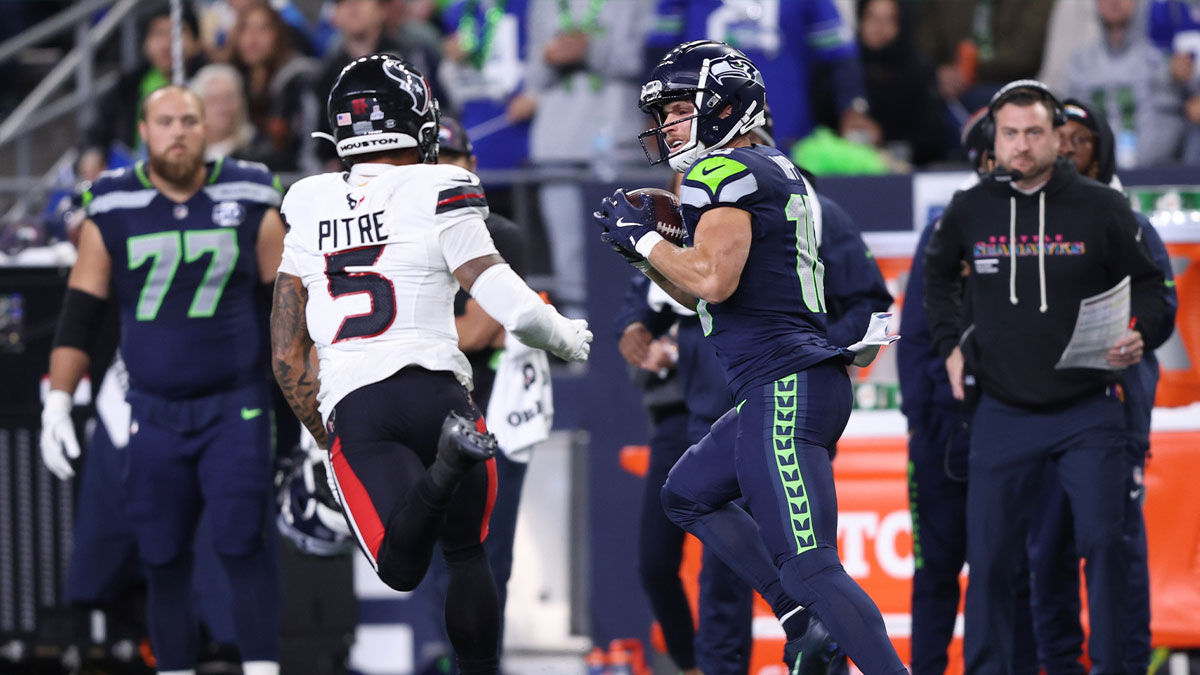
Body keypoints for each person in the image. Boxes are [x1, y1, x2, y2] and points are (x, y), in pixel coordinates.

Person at [269, 54, 591, 675]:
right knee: (469, 555)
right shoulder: (441, 184)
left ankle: (444, 471)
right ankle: (450, 465)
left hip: (361, 402)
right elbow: (503, 296)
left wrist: (329, 433)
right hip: (444, 395)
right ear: (416, 123)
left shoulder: (306, 200)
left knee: (400, 566)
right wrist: (564, 335)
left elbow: (286, 351)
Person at [593, 40, 907, 675]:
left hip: (784, 385)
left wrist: (647, 236)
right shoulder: (769, 166)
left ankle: (847, 639)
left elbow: (712, 282)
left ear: (724, 107)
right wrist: (645, 253)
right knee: (685, 492)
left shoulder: (721, 172)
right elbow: (701, 287)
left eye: (681, 109)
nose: (668, 125)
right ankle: (800, 615)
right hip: (786, 383)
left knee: (814, 563)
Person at [922, 79, 1168, 673]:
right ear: (996, 139)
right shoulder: (969, 207)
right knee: (992, 559)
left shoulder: (1101, 206)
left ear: (1058, 138)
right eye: (1011, 134)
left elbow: (1154, 287)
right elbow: (935, 278)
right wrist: (949, 345)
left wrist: (1143, 331)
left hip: (1089, 408)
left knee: (1107, 545)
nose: (1023, 145)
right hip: (1003, 412)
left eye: (1035, 132)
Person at [41, 85, 286, 675]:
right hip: (151, 408)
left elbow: (290, 308)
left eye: (190, 120)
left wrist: (310, 402)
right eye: (165, 120)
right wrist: (56, 400)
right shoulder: (112, 203)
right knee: (163, 555)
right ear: (143, 133)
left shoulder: (250, 192)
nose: (178, 131)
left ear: (207, 129)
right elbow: (81, 311)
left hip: (236, 405)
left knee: (240, 543)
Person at [1024, 98, 1178, 675]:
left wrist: (1131, 331)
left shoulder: (1126, 220)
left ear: (1101, 151)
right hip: (1038, 420)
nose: (1064, 148)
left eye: (1078, 140)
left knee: (1113, 554)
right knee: (1046, 554)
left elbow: (1161, 302)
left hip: (1112, 420)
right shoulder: (1026, 224)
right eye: (1055, 137)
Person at [899, 109, 1039, 675]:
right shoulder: (947, 228)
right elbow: (912, 338)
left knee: (1011, 573)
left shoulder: (1041, 229)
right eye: (1007, 145)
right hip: (943, 434)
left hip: (1011, 428)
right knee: (936, 575)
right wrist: (923, 421)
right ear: (986, 159)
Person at [668, 0, 880, 150]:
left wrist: (853, 107)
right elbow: (660, 49)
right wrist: (660, 115)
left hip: (787, 126)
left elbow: (838, 55)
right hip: (701, 125)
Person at [79, 6, 207, 181]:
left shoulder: (213, 83)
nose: (168, 42)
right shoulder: (127, 86)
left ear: (197, 42)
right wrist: (93, 154)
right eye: (159, 33)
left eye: (179, 31)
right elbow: (95, 135)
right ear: (145, 43)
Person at [1065, 0, 1185, 168]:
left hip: (1158, 174)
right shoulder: (1080, 62)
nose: (1114, 3)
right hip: (1096, 175)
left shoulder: (1163, 58)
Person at [228, 1, 320, 172]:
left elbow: (298, 149)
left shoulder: (298, 79)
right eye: (245, 29)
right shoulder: (236, 80)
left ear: (279, 34)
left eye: (263, 29)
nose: (253, 38)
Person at [856, 0, 949, 166]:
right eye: (872, 17)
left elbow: (931, 136)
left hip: (908, 169)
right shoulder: (843, 70)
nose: (879, 27)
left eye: (889, 19)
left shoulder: (919, 70)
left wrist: (884, 142)